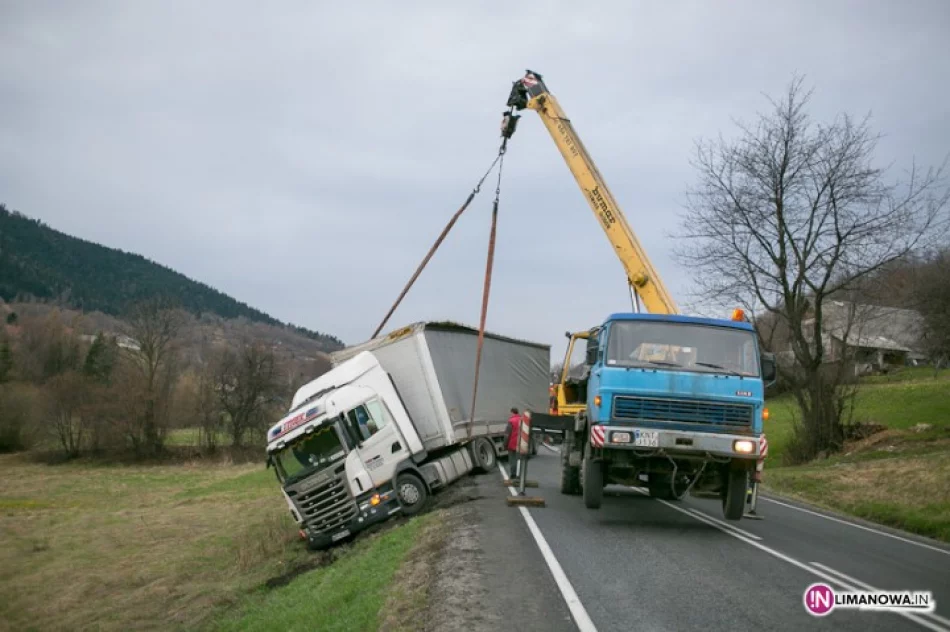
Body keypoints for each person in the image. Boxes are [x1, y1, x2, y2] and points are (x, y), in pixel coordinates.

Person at [504, 407, 522, 478]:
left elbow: (507, 434)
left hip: (512, 444)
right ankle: (519, 475)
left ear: (512, 412)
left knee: (512, 460)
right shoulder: (522, 419)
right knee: (519, 460)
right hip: (520, 443)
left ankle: (513, 475)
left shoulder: (511, 421)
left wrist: (505, 444)